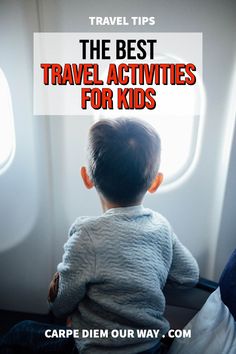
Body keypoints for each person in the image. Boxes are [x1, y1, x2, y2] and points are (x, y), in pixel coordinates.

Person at [0, 118, 199, 354]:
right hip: (150, 347)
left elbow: (60, 305)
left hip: (95, 348)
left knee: (21, 331)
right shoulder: (161, 227)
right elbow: (189, 275)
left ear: (87, 177)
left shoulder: (87, 235)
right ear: (155, 182)